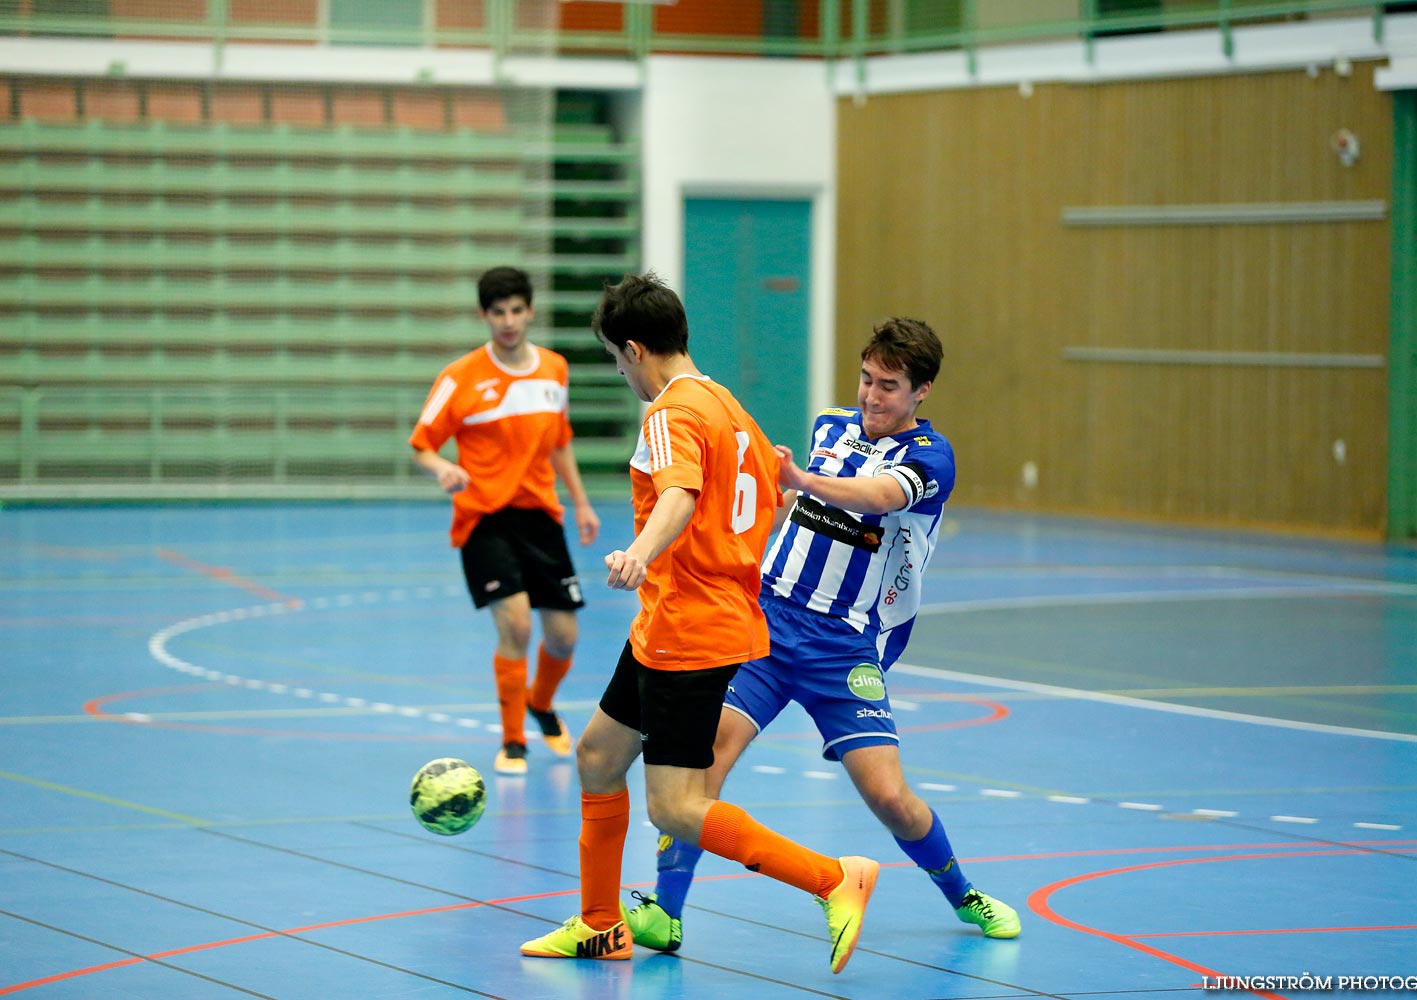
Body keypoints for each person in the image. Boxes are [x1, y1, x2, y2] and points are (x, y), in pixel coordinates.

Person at [519, 272, 878, 974]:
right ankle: (600, 923)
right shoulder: (729, 406)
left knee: (677, 808)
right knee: (596, 756)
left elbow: (680, 494)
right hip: (679, 618)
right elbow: (767, 493)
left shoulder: (669, 412)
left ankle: (834, 879)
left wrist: (641, 551)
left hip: (689, 627)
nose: (622, 374)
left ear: (634, 349)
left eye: (617, 360)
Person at [625, 317, 1022, 953]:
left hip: (842, 645)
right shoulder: (830, 426)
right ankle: (665, 911)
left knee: (889, 797)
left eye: (888, 386)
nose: (871, 395)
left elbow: (878, 497)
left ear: (922, 392)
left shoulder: (931, 457)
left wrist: (803, 482)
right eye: (866, 379)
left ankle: (962, 893)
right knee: (700, 770)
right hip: (767, 623)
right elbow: (783, 500)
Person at [409, 266, 600, 776]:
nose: (509, 321)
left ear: (530, 311)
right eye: (498, 312)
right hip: (484, 517)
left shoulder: (554, 369)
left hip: (540, 515)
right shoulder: (460, 378)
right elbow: (421, 445)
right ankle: (513, 740)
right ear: (484, 316)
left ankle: (541, 702)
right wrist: (443, 467)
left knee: (563, 637)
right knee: (515, 624)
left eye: (517, 310)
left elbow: (560, 442)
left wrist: (580, 503)